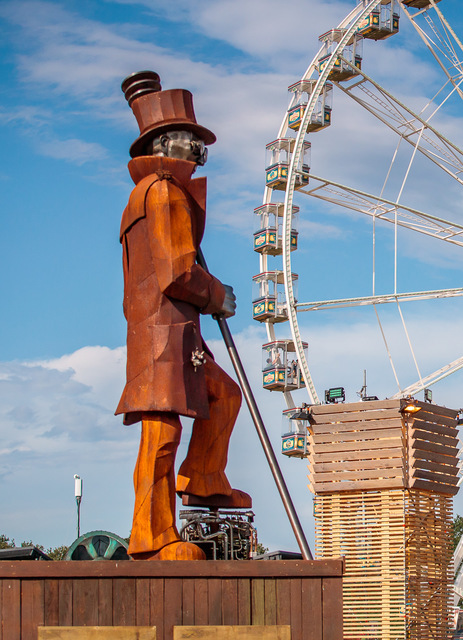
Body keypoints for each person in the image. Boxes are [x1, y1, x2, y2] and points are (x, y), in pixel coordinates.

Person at [116, 71, 250, 560]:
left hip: (173, 330)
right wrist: (216, 294)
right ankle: (151, 535)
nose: (198, 152)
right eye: (192, 142)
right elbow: (176, 271)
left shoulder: (156, 191)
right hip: (163, 329)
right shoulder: (164, 192)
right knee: (162, 429)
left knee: (223, 396)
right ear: (167, 144)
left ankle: (205, 478)